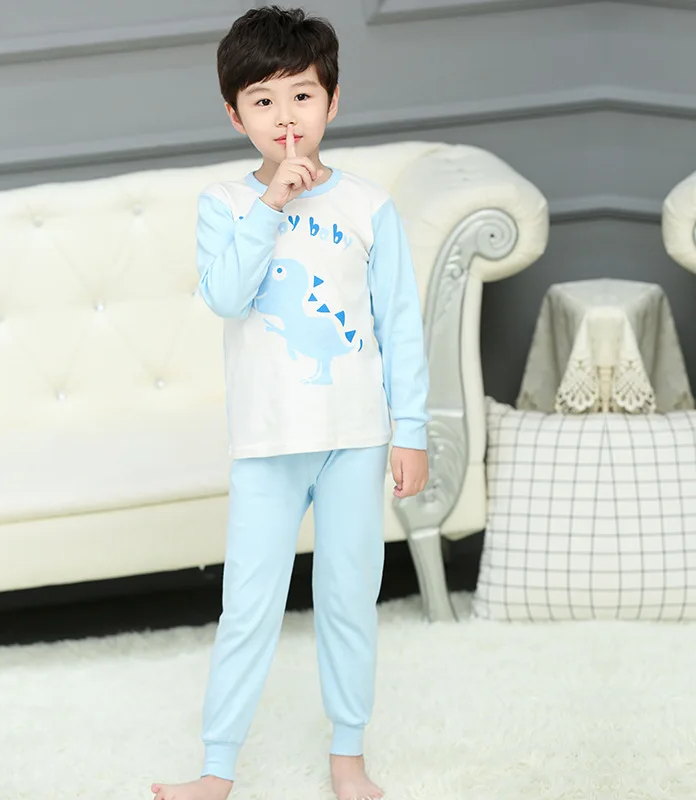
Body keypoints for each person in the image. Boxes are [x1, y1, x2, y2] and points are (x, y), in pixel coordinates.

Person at [151, 6, 429, 800]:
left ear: (332, 102)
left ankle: (348, 756)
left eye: (302, 95)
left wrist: (410, 429)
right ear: (234, 114)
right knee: (249, 606)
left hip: (355, 438)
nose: (285, 117)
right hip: (267, 443)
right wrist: (270, 204)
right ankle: (217, 768)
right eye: (263, 100)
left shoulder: (370, 206)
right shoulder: (224, 204)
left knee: (349, 600)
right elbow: (227, 298)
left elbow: (399, 326)